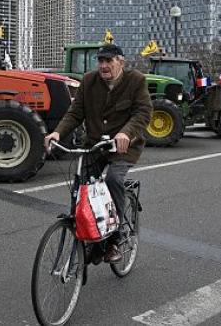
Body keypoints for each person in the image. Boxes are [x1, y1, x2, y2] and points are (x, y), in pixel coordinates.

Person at [44, 44, 152, 263]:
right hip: (94, 145)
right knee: (82, 187)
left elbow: (142, 113)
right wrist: (57, 133)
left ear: (121, 62)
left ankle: (116, 237)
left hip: (123, 147)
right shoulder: (89, 81)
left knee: (113, 179)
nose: (103, 66)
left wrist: (125, 133)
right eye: (100, 61)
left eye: (108, 61)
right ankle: (90, 232)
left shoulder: (136, 80)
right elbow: (75, 113)